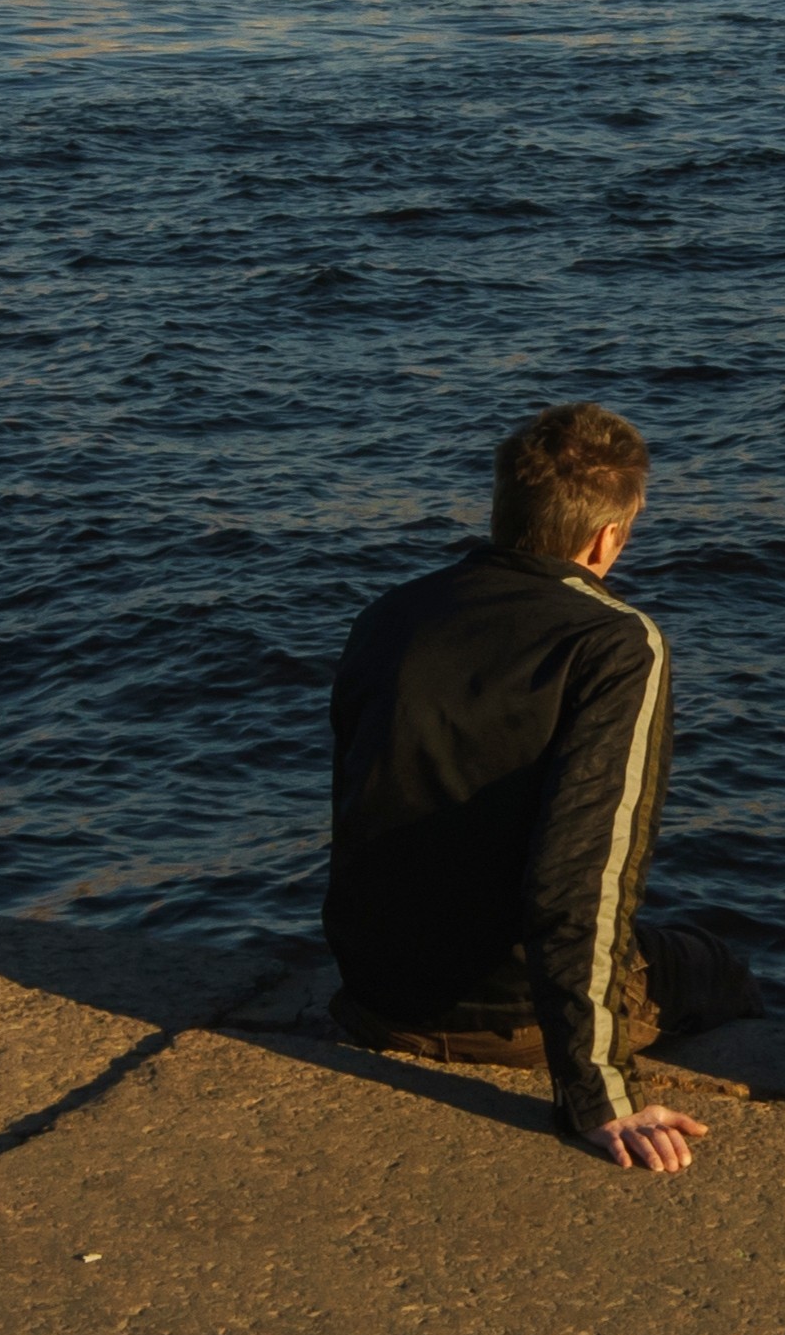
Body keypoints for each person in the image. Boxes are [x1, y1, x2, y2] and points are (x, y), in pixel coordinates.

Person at [324, 403, 761, 1174]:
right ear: (607, 538)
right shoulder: (616, 642)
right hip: (510, 1015)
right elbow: (579, 879)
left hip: (373, 992)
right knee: (712, 966)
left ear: (503, 509)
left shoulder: (390, 614)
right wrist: (598, 1096)